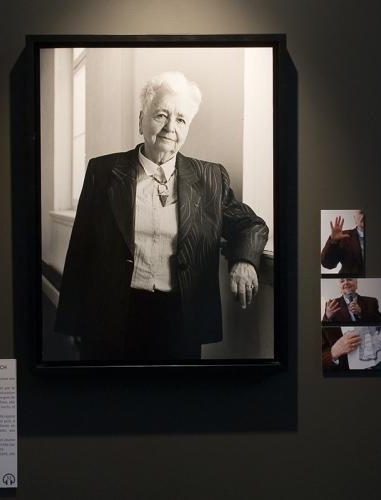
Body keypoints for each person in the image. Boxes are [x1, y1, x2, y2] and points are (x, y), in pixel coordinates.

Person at [54, 71, 269, 361]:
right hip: (111, 315)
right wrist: (73, 323)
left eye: (181, 119)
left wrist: (244, 261)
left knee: (174, 401)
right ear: (141, 119)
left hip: (179, 319)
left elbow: (250, 224)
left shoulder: (210, 178)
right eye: (161, 115)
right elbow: (80, 249)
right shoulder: (103, 172)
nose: (170, 127)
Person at [320, 210, 365, 275]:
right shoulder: (343, 236)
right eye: (361, 212)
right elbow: (328, 264)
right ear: (355, 218)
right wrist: (333, 242)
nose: (364, 216)